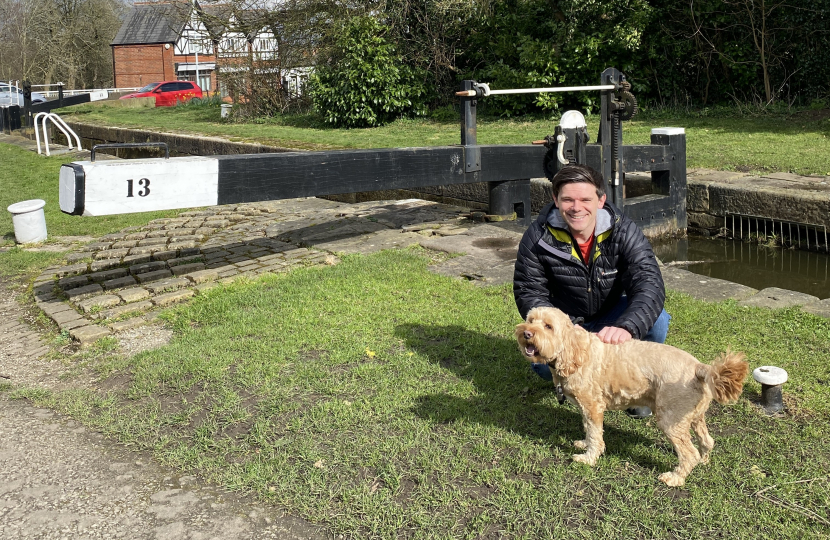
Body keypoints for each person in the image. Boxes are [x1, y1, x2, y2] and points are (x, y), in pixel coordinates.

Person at [513, 164, 670, 418]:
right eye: (567, 199)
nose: (577, 207)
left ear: (601, 200)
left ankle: (635, 389)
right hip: (564, 324)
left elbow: (648, 283)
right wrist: (566, 329)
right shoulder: (537, 237)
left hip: (611, 315)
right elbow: (529, 291)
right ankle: (575, 384)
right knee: (545, 367)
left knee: (658, 322)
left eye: (585, 199)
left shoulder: (624, 231)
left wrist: (627, 326)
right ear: (555, 199)